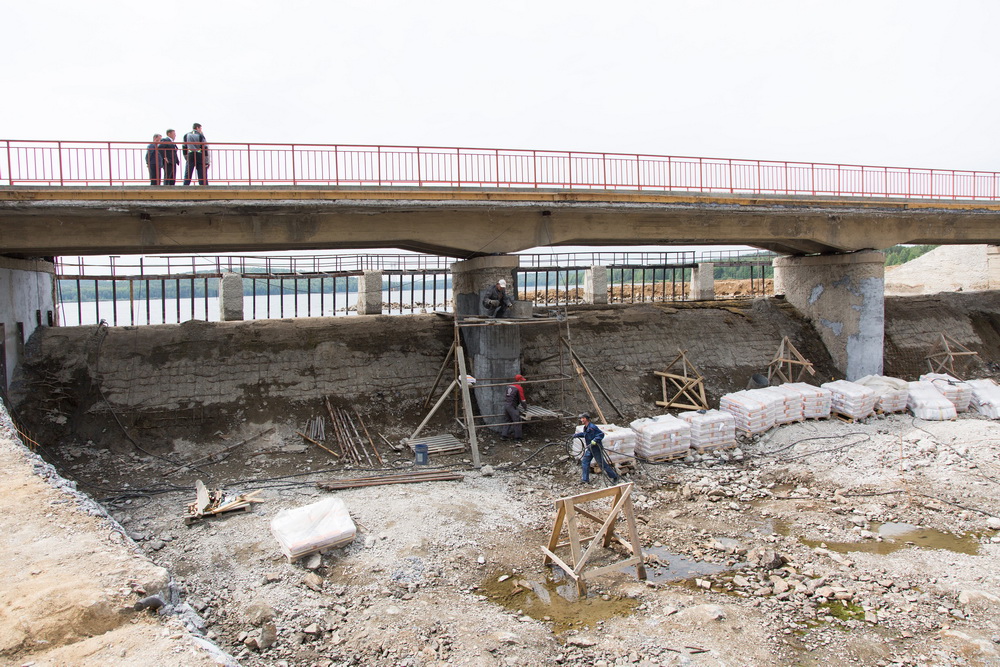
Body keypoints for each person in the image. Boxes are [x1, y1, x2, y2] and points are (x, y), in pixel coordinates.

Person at [573, 412, 620, 484]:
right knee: (585, 462)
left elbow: (601, 434)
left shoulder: (592, 427)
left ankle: (615, 476)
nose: (581, 419)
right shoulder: (586, 427)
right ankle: (585, 479)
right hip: (590, 448)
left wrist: (595, 440)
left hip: (596, 449)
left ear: (586, 419)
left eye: (582, 418)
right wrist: (577, 435)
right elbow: (585, 434)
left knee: (602, 464)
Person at [500, 374, 527, 440]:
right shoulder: (519, 388)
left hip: (506, 404)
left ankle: (504, 435)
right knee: (517, 421)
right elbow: (522, 399)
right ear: (519, 380)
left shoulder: (509, 386)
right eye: (522, 380)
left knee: (507, 420)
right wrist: (525, 408)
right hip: (512, 406)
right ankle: (518, 437)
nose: (523, 382)